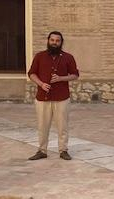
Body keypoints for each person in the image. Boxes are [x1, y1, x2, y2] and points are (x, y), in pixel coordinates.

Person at [27, 31, 79, 161]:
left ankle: (63, 150)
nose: (54, 43)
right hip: (42, 98)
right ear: (48, 41)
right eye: (52, 40)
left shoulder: (68, 57)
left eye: (57, 41)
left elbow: (75, 75)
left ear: (61, 42)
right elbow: (32, 73)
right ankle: (42, 150)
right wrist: (41, 84)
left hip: (62, 97)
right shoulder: (39, 56)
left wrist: (61, 78)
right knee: (42, 126)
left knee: (63, 126)